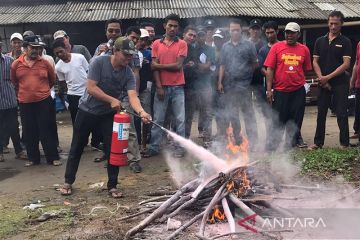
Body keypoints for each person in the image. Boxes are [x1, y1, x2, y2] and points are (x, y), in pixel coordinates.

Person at [60, 37, 151, 197]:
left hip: (108, 115)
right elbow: (91, 88)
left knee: (112, 149)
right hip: (87, 110)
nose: (128, 59)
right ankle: (68, 182)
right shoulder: (98, 62)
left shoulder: (128, 73)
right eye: (125, 55)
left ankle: (112, 185)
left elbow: (133, 96)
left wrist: (142, 112)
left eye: (131, 56)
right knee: (77, 146)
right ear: (115, 51)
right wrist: (111, 100)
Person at [11, 35, 61, 166]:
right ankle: (33, 158)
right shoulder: (16, 64)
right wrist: (25, 93)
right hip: (25, 103)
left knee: (47, 129)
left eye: (38, 48)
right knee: (29, 130)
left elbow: (52, 80)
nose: (36, 51)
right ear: (25, 48)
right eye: (33, 48)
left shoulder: (45, 63)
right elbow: (14, 82)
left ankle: (52, 157)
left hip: (43, 101)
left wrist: (41, 91)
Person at [143, 13, 188, 158]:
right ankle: (154, 147)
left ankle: (180, 147)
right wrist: (160, 86)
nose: (173, 28)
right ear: (164, 26)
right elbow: (153, 68)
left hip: (178, 87)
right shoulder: (156, 43)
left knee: (180, 119)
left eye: (175, 26)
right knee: (158, 118)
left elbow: (178, 66)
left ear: (178, 28)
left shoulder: (182, 43)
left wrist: (158, 65)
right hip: (161, 87)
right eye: (170, 25)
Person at [264, 22, 312, 149]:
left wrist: (303, 85)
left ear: (299, 34)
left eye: (292, 32)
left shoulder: (304, 49)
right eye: (287, 32)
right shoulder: (276, 47)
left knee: (296, 118)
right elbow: (270, 69)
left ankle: (294, 141)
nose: (289, 35)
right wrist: (269, 90)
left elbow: (306, 69)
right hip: (280, 91)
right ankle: (274, 144)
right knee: (279, 119)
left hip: (297, 91)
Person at [309, 11, 352, 149]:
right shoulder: (319, 41)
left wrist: (328, 77)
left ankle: (344, 143)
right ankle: (318, 142)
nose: (333, 26)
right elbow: (315, 61)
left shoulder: (345, 42)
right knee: (321, 113)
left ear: (341, 24)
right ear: (328, 23)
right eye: (331, 23)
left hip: (340, 82)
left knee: (341, 113)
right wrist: (322, 78)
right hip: (323, 82)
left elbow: (346, 64)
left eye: (336, 24)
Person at [217, 18, 258, 146]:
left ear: (241, 30)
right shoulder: (225, 46)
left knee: (248, 114)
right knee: (233, 114)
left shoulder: (249, 45)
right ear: (229, 31)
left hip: (245, 86)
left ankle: (253, 141)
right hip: (230, 86)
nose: (235, 32)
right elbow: (222, 65)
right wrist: (220, 82)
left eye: (237, 30)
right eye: (232, 30)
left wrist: (245, 73)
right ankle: (238, 140)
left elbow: (255, 64)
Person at [0, 39, 27, 162]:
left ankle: (19, 151)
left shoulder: (10, 62)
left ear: (1, 47)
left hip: (10, 101)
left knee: (14, 127)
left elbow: (17, 80)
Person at [53, 38, 89, 124]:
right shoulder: (58, 67)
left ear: (66, 48)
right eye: (57, 53)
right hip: (73, 96)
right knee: (76, 122)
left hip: (87, 93)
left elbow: (89, 73)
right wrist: (65, 100)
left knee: (89, 119)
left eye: (61, 51)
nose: (59, 54)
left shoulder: (80, 57)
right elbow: (62, 83)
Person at [192, 27, 216, 146]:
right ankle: (189, 138)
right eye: (198, 35)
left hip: (206, 84)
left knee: (207, 111)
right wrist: (201, 67)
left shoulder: (210, 49)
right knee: (190, 112)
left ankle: (207, 136)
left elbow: (208, 67)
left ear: (206, 36)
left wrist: (195, 65)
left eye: (203, 35)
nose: (201, 37)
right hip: (191, 85)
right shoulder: (190, 48)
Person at [134, 29, 153, 152]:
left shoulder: (149, 53)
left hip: (145, 88)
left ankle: (144, 144)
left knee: (145, 116)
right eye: (141, 39)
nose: (142, 42)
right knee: (135, 117)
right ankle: (137, 144)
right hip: (132, 90)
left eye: (145, 39)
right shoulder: (131, 53)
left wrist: (148, 64)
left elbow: (153, 69)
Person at [182, 25, 198, 139]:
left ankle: (186, 138)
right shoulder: (177, 46)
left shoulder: (194, 49)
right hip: (177, 86)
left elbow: (197, 65)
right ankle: (174, 140)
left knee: (188, 115)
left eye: (194, 36)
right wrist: (185, 66)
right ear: (184, 35)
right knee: (177, 116)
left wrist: (194, 65)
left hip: (191, 87)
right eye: (190, 35)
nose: (192, 38)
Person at [350, 41, 360, 144]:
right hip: (359, 83)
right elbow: (356, 63)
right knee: (358, 109)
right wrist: (352, 81)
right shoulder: (359, 44)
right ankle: (357, 131)